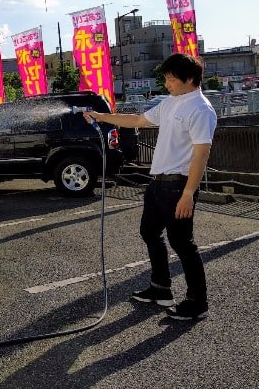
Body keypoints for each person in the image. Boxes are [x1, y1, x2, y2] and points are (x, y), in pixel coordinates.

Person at [84, 53, 217, 320]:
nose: (166, 83)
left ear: (189, 79)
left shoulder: (201, 109)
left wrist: (188, 193)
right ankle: (160, 288)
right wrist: (101, 116)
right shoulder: (171, 103)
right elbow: (137, 121)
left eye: (170, 78)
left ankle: (197, 302)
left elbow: (202, 153)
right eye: (166, 78)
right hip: (158, 183)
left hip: (179, 185)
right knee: (149, 232)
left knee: (183, 243)